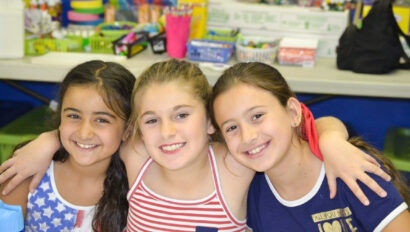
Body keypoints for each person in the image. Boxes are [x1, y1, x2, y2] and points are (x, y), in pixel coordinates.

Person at [0, 59, 391, 231]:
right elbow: (92, 135)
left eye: (182, 115)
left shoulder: (235, 164)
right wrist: (48, 139)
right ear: (137, 127)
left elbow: (297, 125)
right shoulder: (138, 156)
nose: (167, 132)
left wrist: (333, 139)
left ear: (209, 124)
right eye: (152, 120)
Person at [210, 62, 410, 231]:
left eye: (257, 116)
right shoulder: (249, 190)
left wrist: (331, 136)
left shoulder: (350, 168)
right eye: (232, 127)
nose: (248, 136)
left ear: (293, 113)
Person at [0, 60, 134, 232]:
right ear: (60, 117)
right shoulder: (26, 173)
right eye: (74, 116)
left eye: (102, 120)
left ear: (127, 129)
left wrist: (51, 139)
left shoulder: (137, 185)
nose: (84, 133)